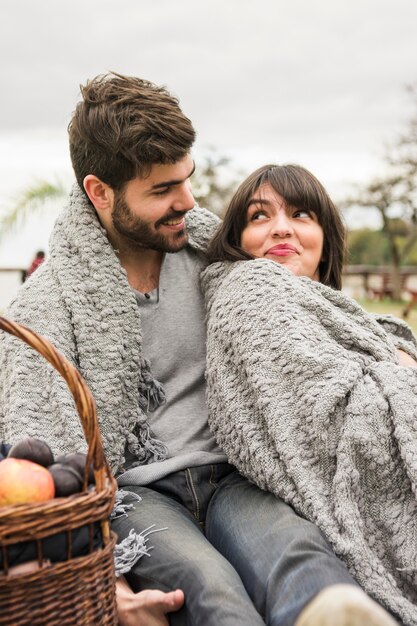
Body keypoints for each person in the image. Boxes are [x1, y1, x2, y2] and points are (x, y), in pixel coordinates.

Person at [0, 75, 396, 626]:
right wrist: (105, 580)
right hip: (139, 494)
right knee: (210, 593)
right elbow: (42, 450)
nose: (187, 201)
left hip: (234, 473)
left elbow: (310, 314)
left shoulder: (219, 253)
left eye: (187, 179)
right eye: (163, 190)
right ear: (100, 192)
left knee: (300, 556)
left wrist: (389, 352)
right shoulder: (46, 306)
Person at [202, 163, 417, 626]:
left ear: (325, 235)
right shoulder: (250, 289)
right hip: (261, 492)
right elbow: (324, 417)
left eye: (301, 214)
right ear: (238, 239)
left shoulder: (341, 312)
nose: (282, 228)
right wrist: (401, 372)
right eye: (259, 216)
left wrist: (395, 352)